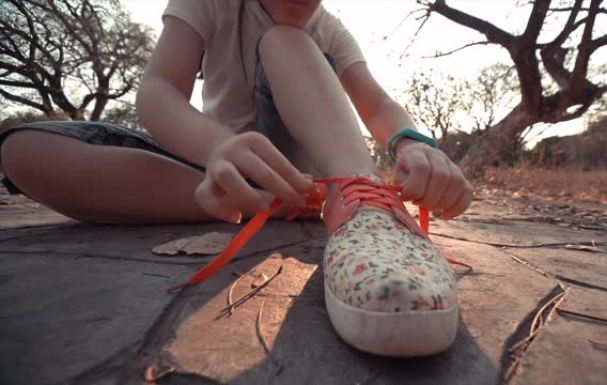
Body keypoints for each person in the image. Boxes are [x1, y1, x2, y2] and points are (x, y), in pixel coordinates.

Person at [0, 0, 472, 356]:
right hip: (217, 165)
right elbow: (160, 88)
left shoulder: (329, 29)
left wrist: (412, 144)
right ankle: (266, 201)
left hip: (315, 174)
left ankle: (358, 201)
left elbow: (377, 102)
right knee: (25, 151)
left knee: (284, 39)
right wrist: (217, 148)